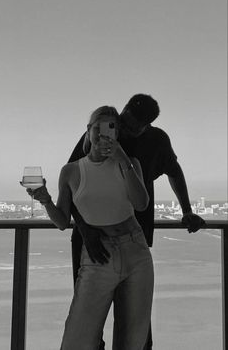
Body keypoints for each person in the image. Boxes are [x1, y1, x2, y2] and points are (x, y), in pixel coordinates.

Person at [67, 94, 206, 350]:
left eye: (132, 128)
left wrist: (187, 210)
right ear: (123, 110)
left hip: (134, 238)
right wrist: (85, 232)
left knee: (136, 324)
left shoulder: (157, 140)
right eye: (124, 122)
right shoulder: (100, 131)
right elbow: (73, 181)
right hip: (91, 241)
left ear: (147, 126)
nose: (125, 131)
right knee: (86, 325)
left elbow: (174, 171)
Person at [26, 106, 154, 350]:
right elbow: (62, 222)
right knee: (78, 338)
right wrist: (45, 200)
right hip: (98, 258)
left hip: (136, 251)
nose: (103, 133)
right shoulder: (72, 171)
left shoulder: (130, 164)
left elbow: (141, 203)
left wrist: (123, 159)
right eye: (98, 127)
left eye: (111, 128)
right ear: (88, 131)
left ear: (118, 135)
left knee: (132, 339)